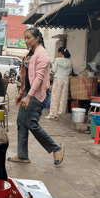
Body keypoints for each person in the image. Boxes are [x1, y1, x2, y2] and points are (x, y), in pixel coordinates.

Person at [8, 27, 65, 166]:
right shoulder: (30, 53)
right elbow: (25, 76)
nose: (26, 41)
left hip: (37, 94)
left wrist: (28, 97)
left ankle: (56, 148)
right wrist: (22, 93)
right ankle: (22, 156)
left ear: (37, 38)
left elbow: (39, 77)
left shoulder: (42, 54)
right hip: (28, 93)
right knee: (21, 122)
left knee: (31, 123)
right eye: (25, 38)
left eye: (29, 38)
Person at [46, 47, 73, 119]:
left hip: (58, 79)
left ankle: (53, 114)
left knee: (55, 96)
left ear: (60, 53)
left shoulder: (57, 60)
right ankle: (60, 113)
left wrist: (50, 70)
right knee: (63, 97)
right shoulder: (70, 61)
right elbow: (70, 71)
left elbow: (54, 70)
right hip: (66, 80)